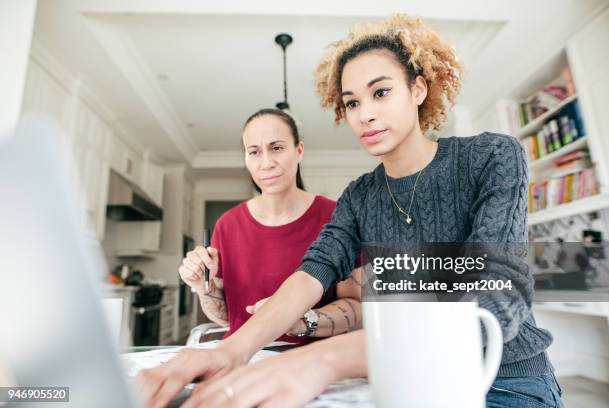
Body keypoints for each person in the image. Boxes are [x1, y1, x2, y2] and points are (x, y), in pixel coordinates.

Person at [137, 15, 564, 408]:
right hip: (409, 378)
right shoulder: (360, 195)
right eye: (352, 102)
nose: (366, 114)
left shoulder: (490, 157)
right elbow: (312, 272)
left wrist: (324, 360)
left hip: (506, 381)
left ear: (418, 89)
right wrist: (232, 350)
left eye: (380, 92)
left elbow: (495, 299)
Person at [178, 108, 363, 344]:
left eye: (276, 148)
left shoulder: (337, 216)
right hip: (243, 359)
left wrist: (299, 321)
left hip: (313, 361)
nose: (266, 163)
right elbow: (227, 318)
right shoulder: (227, 224)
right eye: (254, 152)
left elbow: (356, 305)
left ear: (299, 151)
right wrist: (203, 286)